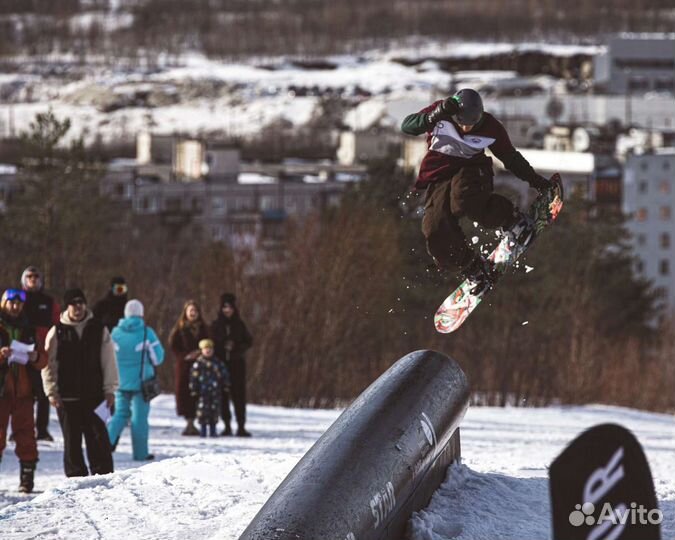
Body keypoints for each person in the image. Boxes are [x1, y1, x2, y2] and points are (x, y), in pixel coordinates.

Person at [401, 88, 552, 293]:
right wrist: (432, 117)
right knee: (434, 229)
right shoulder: (440, 112)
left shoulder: (491, 127)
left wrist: (536, 181)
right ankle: (472, 268)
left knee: (463, 199)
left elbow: (511, 158)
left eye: (471, 123)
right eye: (461, 122)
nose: (465, 128)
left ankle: (512, 220)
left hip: (473, 172)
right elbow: (408, 126)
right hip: (440, 178)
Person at [43, 288, 119, 477]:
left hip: (95, 394)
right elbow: (48, 364)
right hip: (67, 396)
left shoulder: (98, 328)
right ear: (66, 307)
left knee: (98, 437)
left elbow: (109, 361)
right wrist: (51, 391)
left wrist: (110, 390)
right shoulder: (57, 331)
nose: (78, 307)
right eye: (73, 304)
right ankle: (76, 476)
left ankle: (103, 474)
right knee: (72, 440)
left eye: (81, 303)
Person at [0, 289, 47, 493]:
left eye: (19, 303)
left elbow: (43, 359)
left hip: (25, 391)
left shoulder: (30, 328)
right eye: (11, 302)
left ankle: (27, 478)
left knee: (26, 435)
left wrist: (36, 357)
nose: (15, 306)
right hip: (2, 391)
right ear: (4, 303)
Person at [107, 299, 165, 461]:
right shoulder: (147, 332)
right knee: (139, 418)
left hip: (119, 381)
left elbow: (107, 356)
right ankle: (140, 454)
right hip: (142, 383)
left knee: (120, 414)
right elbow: (158, 358)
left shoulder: (115, 333)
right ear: (141, 313)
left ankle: (102, 447)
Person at [21, 266, 60, 441]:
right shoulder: (17, 299)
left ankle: (42, 430)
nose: (33, 279)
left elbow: (58, 324)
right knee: (22, 394)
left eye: (36, 276)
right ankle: (20, 430)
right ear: (24, 279)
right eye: (29, 276)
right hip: (21, 352)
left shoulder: (49, 301)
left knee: (44, 392)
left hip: (43, 351)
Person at [210, 293, 253, 437]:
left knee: (239, 396)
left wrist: (236, 347)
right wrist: (222, 347)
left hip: (237, 365)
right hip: (221, 365)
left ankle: (241, 426)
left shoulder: (239, 324)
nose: (227, 310)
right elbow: (212, 343)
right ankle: (227, 425)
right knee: (223, 395)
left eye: (229, 307)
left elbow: (248, 342)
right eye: (224, 307)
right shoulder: (216, 325)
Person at [168, 300, 209, 436]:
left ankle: (198, 421)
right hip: (184, 365)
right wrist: (185, 355)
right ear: (185, 312)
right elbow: (173, 346)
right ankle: (189, 422)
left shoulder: (204, 328)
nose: (193, 313)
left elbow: (210, 342)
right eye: (190, 311)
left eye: (195, 311)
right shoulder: (179, 329)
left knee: (199, 392)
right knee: (184, 392)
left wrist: (200, 353)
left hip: (201, 365)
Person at [189, 339, 229, 438]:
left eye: (210, 349)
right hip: (202, 392)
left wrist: (226, 384)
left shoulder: (217, 363)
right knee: (202, 411)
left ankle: (213, 430)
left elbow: (224, 374)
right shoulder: (198, 364)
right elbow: (193, 377)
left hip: (215, 392)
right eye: (205, 349)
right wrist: (193, 388)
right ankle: (203, 430)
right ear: (201, 350)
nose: (208, 351)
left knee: (214, 411)